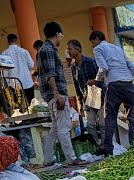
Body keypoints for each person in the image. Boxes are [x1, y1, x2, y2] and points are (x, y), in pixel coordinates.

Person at [37, 21, 86, 166]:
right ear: (57, 33)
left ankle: (47, 159)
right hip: (56, 94)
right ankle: (71, 159)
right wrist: (57, 93)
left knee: (55, 129)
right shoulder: (49, 50)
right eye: (61, 35)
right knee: (64, 128)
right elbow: (50, 74)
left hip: (50, 95)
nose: (61, 38)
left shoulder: (43, 50)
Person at [87, 31, 134, 156]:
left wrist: (96, 80)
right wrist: (126, 78)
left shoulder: (98, 49)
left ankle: (108, 149)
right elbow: (132, 67)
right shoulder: (118, 48)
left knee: (110, 117)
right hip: (129, 85)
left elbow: (104, 67)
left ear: (96, 39)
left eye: (92, 42)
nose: (93, 45)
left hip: (114, 85)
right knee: (130, 116)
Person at [67, 39, 106, 147]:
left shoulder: (90, 62)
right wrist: (80, 102)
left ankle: (105, 146)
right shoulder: (73, 68)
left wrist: (91, 94)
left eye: (70, 49)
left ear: (78, 49)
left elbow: (99, 81)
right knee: (90, 126)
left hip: (99, 95)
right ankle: (96, 146)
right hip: (87, 100)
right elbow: (77, 86)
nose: (68, 51)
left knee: (102, 124)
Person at [2, 34, 35, 105]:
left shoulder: (4, 53)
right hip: (27, 82)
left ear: (8, 42)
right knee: (32, 104)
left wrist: (7, 83)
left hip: (14, 83)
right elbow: (31, 65)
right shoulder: (24, 51)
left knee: (18, 106)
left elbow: (5, 71)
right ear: (17, 40)